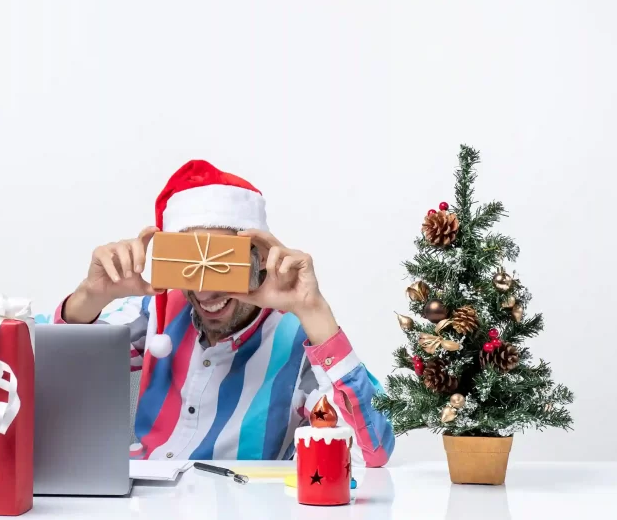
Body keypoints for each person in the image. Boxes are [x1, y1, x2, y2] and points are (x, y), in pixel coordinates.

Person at [55, 159, 395, 465]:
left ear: (258, 259)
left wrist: (315, 311)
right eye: (191, 265)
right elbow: (48, 373)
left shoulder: (301, 343)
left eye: (223, 266)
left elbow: (374, 451)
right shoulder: (156, 312)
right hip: (143, 499)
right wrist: (90, 296)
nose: (204, 290)